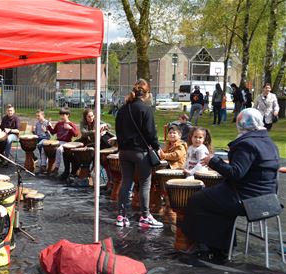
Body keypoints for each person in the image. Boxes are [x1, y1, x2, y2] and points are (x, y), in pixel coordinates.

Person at [182, 108, 280, 260]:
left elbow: (235, 173)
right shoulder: (268, 142)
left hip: (246, 198)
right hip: (267, 198)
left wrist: (213, 161)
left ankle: (203, 246)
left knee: (197, 200)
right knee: (216, 200)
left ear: (242, 123)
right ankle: (221, 246)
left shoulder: (247, 144)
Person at [115, 79, 162, 228]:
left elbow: (118, 130)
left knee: (126, 183)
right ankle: (145, 216)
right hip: (140, 152)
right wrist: (156, 146)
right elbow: (150, 132)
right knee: (144, 184)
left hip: (124, 152)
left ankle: (121, 216)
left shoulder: (122, 109)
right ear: (147, 93)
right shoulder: (145, 109)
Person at [47, 107, 79, 176]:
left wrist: (70, 128)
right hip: (58, 141)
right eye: (61, 115)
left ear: (67, 115)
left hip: (66, 142)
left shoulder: (71, 124)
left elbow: (76, 134)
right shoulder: (59, 123)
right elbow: (53, 132)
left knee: (59, 149)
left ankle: (56, 168)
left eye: (63, 115)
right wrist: (49, 125)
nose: (61, 116)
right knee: (47, 146)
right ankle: (44, 166)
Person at [32, 109, 51, 173]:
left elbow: (50, 136)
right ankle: (34, 158)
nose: (37, 117)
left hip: (45, 138)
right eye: (36, 116)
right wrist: (33, 131)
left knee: (40, 145)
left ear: (43, 115)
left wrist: (45, 131)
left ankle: (44, 163)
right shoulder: (37, 123)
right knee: (29, 144)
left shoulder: (47, 123)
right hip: (38, 138)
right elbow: (36, 134)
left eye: (39, 116)